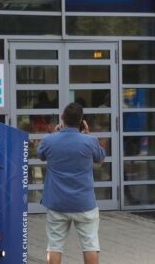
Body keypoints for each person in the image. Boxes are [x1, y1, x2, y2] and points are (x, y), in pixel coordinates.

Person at [37, 102, 106, 264]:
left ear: (62, 118)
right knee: (90, 245)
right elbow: (100, 158)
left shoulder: (49, 140)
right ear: (82, 121)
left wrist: (55, 134)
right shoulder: (90, 141)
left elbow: (41, 155)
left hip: (57, 203)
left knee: (54, 246)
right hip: (84, 203)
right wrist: (87, 134)